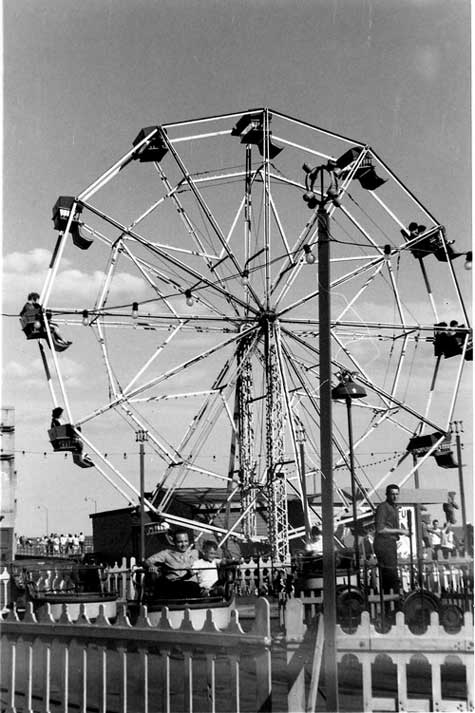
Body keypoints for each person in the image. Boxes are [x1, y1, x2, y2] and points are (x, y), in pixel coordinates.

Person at [373, 484, 409, 599]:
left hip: (390, 543)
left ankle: (392, 600)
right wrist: (400, 531)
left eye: (397, 494)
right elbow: (380, 529)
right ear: (387, 494)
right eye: (392, 494)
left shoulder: (393, 508)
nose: (395, 496)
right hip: (384, 544)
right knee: (390, 574)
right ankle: (392, 602)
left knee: (391, 574)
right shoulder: (383, 507)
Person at [144, 529, 200, 599]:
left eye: (186, 541)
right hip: (175, 585)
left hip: (193, 587)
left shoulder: (195, 553)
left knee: (193, 587)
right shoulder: (166, 553)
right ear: (174, 542)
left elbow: (210, 556)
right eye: (180, 542)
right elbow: (148, 561)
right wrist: (152, 566)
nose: (183, 545)